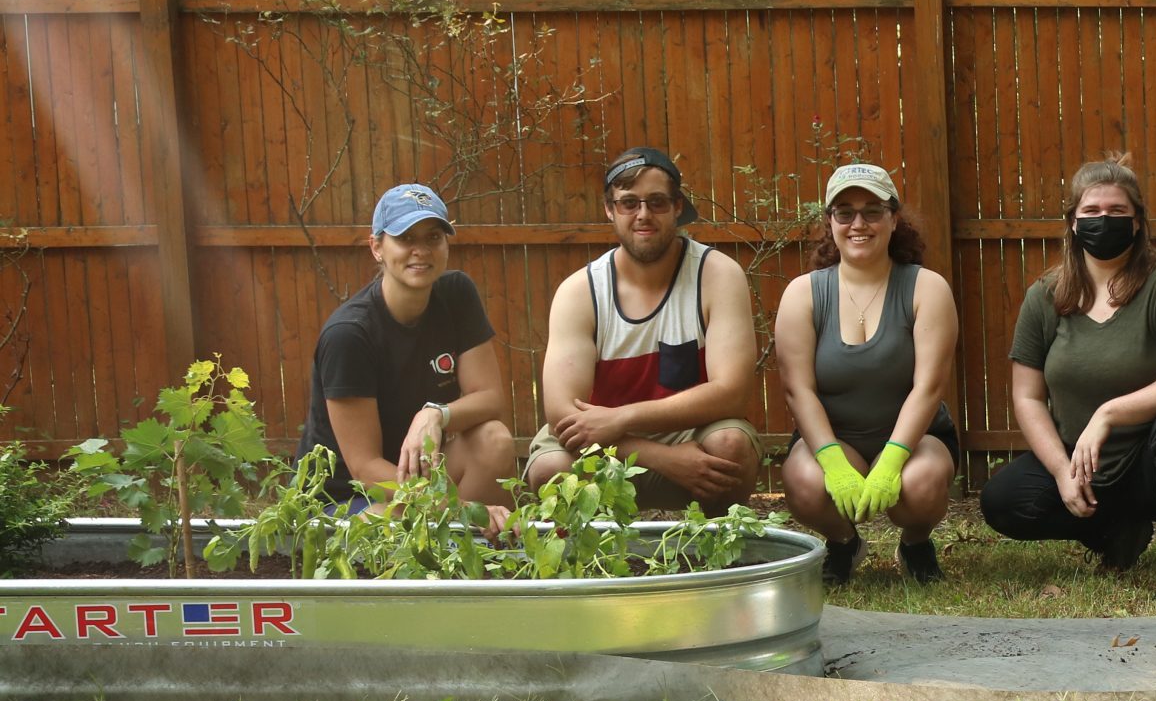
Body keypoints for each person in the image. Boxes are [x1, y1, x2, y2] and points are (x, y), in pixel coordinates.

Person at [980, 159, 1156, 605]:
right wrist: (1060, 470)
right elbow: (1027, 396)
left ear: (1137, 222)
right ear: (1073, 222)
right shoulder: (1046, 294)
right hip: (1087, 464)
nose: (1104, 220)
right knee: (1003, 500)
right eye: (1092, 211)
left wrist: (1108, 413)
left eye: (1117, 212)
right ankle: (1113, 529)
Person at [527, 147, 761, 511]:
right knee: (550, 468)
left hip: (687, 434)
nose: (643, 215)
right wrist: (659, 456)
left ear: (678, 206)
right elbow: (563, 414)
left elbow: (732, 392)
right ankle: (593, 560)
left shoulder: (716, 275)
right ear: (609, 209)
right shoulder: (581, 291)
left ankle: (714, 549)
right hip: (605, 447)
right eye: (628, 203)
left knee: (731, 446)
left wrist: (623, 417)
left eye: (657, 202)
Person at [774, 163, 961, 586]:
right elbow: (797, 389)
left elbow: (929, 386)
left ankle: (915, 543)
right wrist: (832, 462)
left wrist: (893, 458)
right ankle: (844, 543)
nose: (859, 223)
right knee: (804, 481)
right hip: (835, 439)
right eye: (845, 212)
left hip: (916, 440)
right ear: (830, 223)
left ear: (894, 219)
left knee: (923, 483)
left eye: (872, 211)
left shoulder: (926, 287)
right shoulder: (803, 294)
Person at [296, 183, 517, 511]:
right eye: (405, 238)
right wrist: (462, 511)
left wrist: (434, 415)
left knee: (494, 441)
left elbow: (490, 399)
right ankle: (461, 539)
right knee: (395, 520)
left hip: (419, 475)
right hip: (347, 497)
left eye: (433, 238)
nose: (422, 250)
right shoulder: (349, 335)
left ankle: (474, 555)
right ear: (377, 247)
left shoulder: (457, 294)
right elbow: (365, 469)